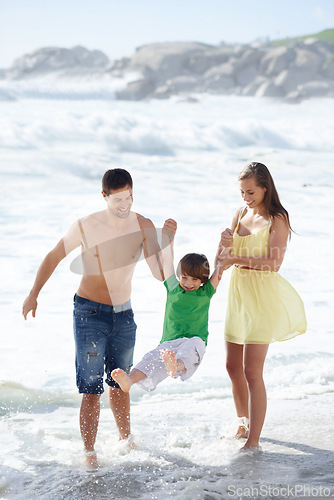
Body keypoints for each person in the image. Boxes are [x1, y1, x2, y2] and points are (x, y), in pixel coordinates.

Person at [22, 168, 167, 468]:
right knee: (90, 388)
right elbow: (54, 256)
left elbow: (159, 273)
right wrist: (33, 292)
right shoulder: (86, 225)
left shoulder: (142, 225)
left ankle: (126, 442)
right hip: (89, 313)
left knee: (120, 383)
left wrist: (168, 241)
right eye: (117, 199)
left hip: (124, 314)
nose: (124, 204)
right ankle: (89, 454)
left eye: (128, 197)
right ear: (104, 196)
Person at [216, 162, 307, 454]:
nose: (245, 197)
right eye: (242, 192)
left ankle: (253, 440)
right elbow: (224, 258)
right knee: (232, 367)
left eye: (251, 191)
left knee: (251, 371)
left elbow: (274, 263)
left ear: (265, 187)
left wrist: (236, 261)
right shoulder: (240, 213)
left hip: (262, 298)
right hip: (238, 296)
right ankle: (241, 422)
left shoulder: (277, 218)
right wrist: (223, 245)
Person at [111, 225, 223, 394]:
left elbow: (220, 270)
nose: (188, 283)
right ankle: (129, 379)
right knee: (150, 359)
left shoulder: (206, 292)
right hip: (169, 342)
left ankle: (176, 366)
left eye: (195, 279)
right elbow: (167, 260)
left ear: (203, 281)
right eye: (184, 277)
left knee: (189, 351)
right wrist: (169, 237)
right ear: (179, 275)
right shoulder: (173, 287)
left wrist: (226, 247)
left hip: (195, 339)